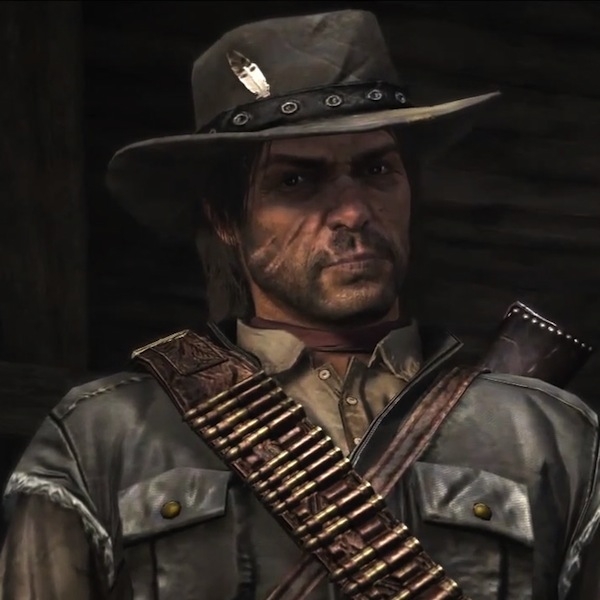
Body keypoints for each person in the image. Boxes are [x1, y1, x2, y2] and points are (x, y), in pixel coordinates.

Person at [1, 9, 599, 600]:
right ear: (225, 219)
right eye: (296, 180)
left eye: (377, 169)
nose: (353, 212)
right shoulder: (103, 436)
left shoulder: (550, 437)